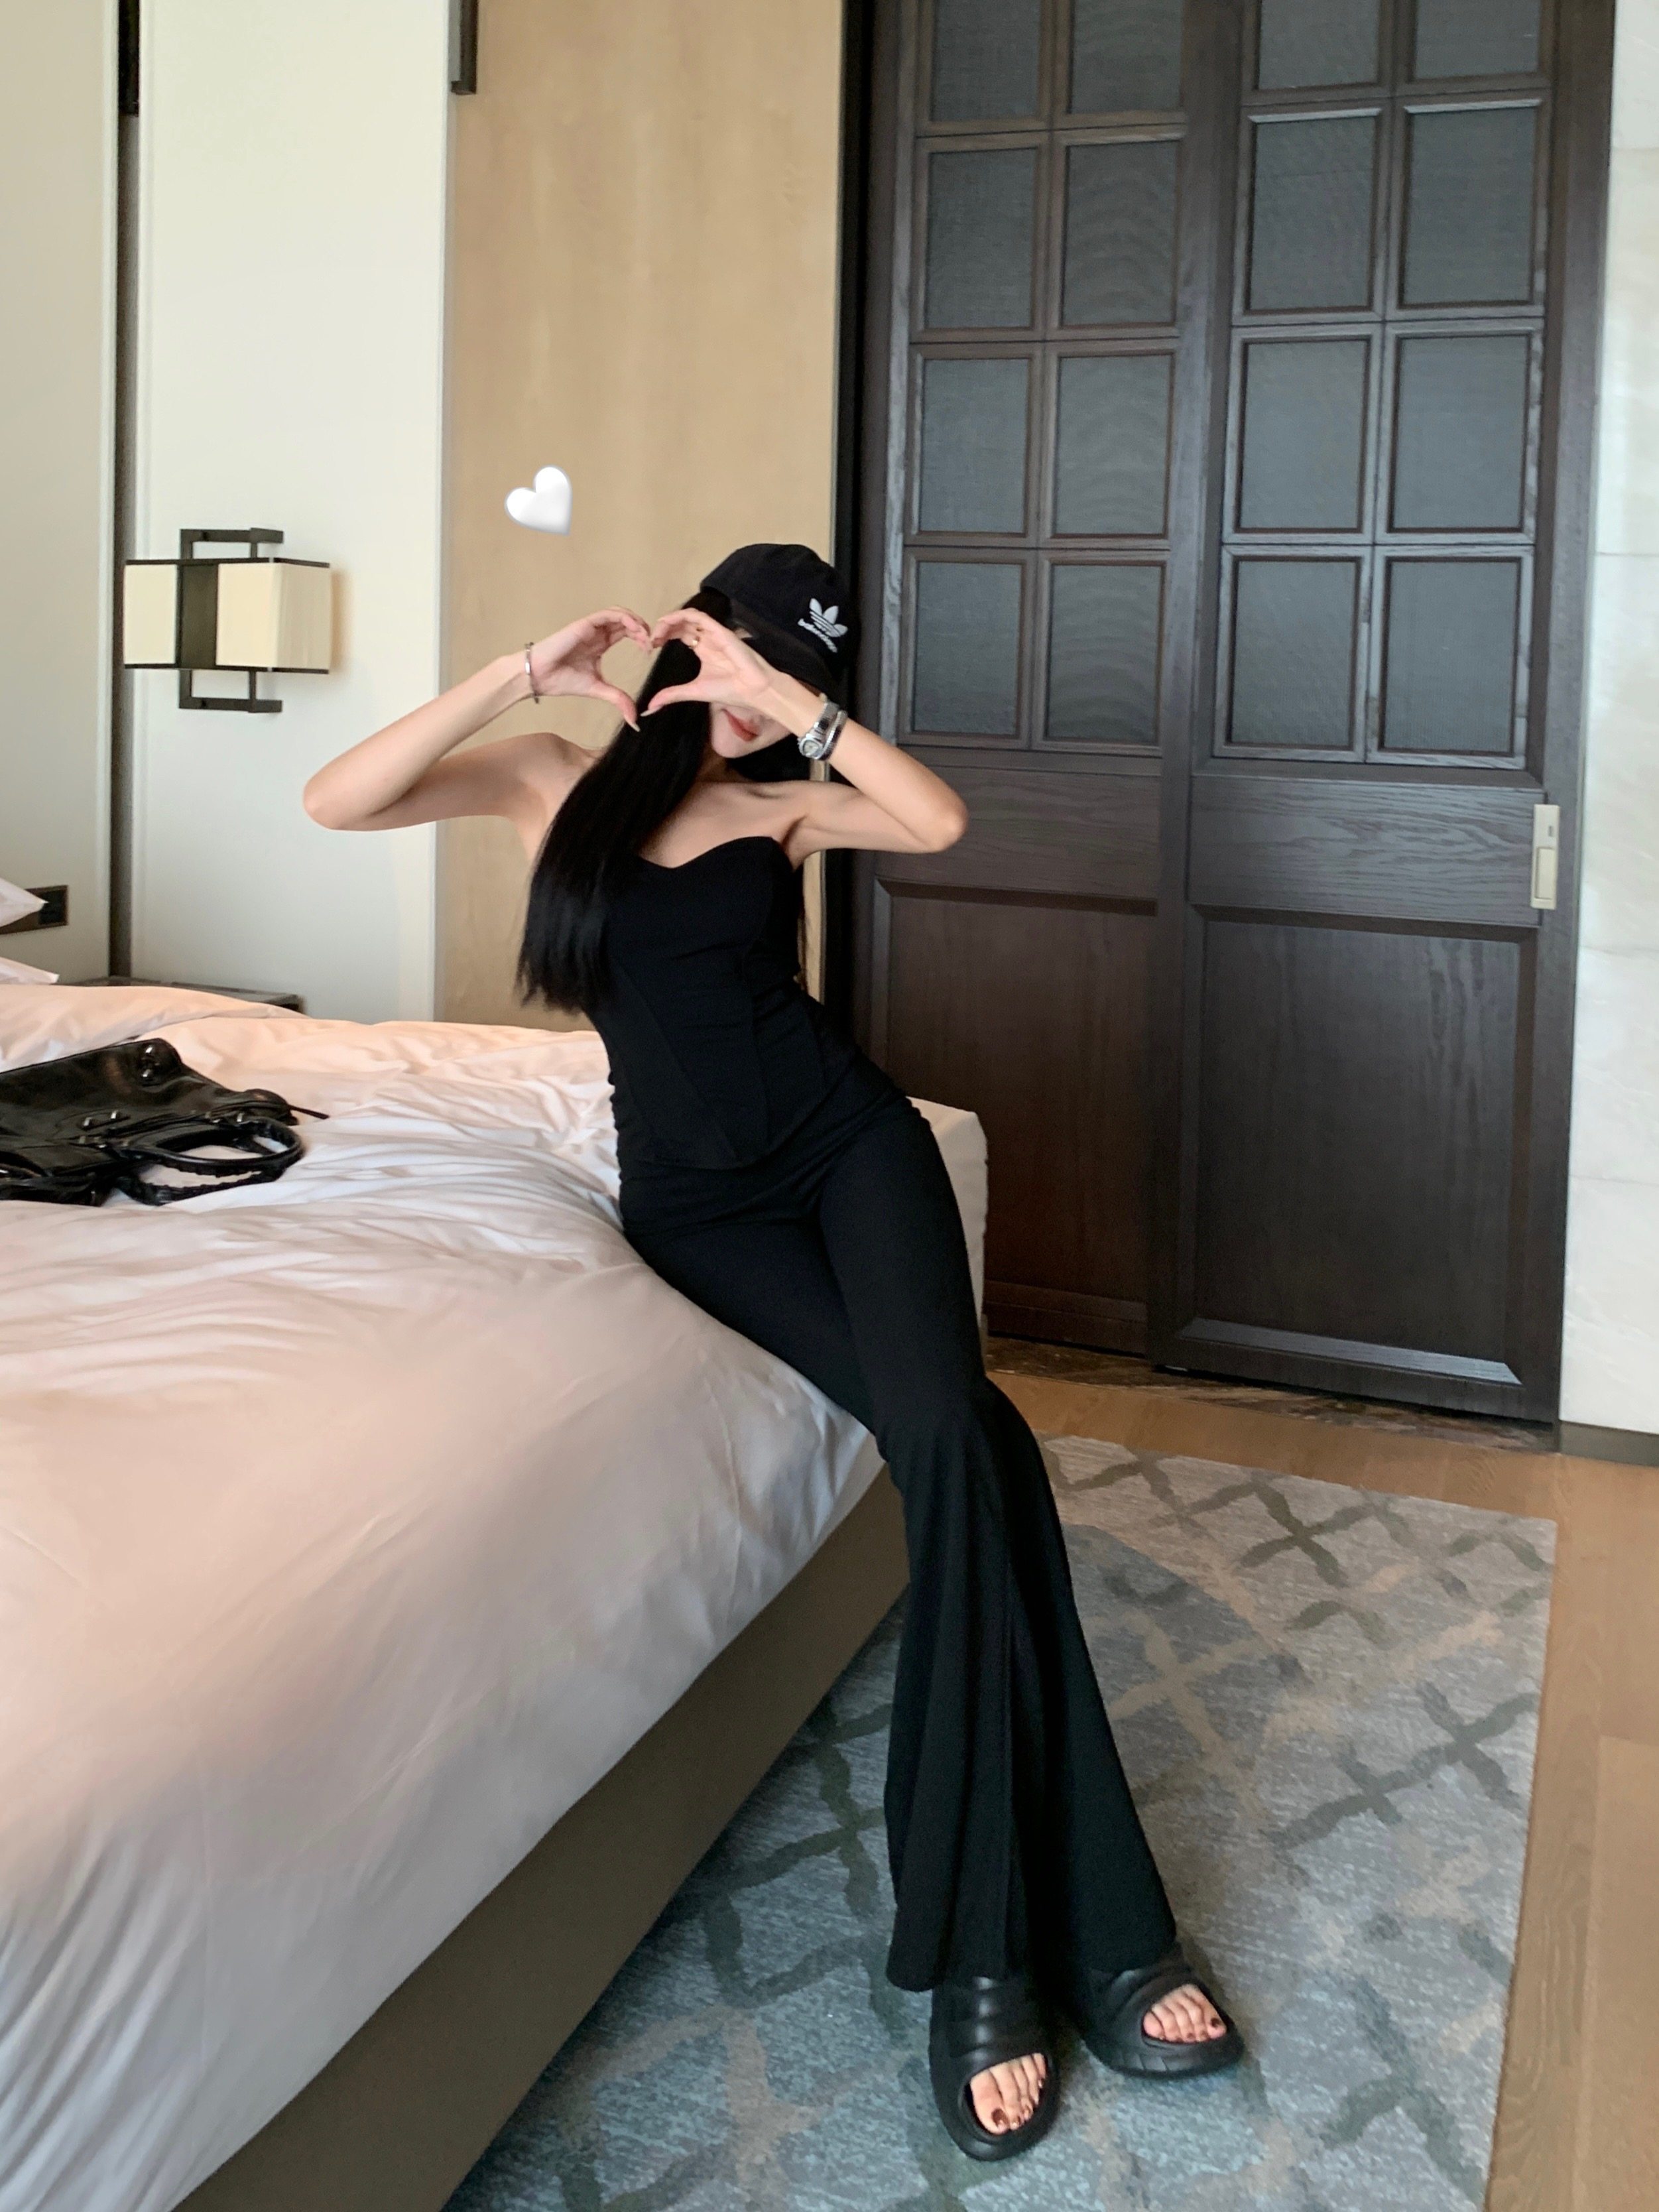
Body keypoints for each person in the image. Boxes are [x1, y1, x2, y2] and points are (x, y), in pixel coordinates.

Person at [304, 544, 1243, 2160]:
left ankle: (993, 1952)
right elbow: (338, 799)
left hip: (851, 1148)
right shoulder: (550, 779)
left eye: (796, 670)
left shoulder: (788, 805)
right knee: (978, 1447)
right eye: (739, 652)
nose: (755, 693)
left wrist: (793, 713)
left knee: (953, 1435)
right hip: (703, 1211)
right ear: (682, 644)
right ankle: (1090, 1935)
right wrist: (525, 669)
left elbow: (937, 820)